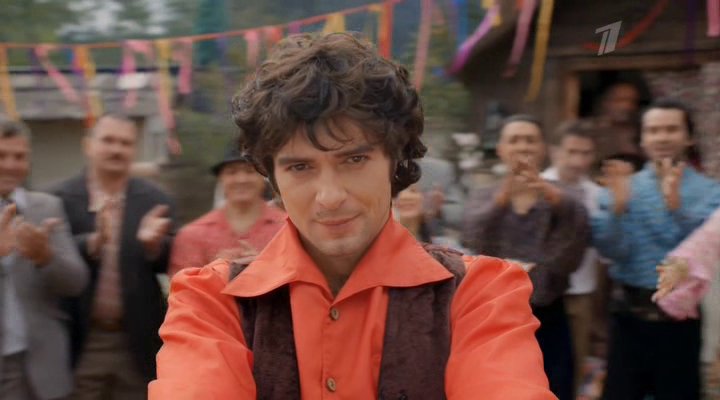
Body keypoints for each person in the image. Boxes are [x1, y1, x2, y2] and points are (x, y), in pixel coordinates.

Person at [150, 32, 554, 399]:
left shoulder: (478, 293)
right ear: (271, 176)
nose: (329, 197)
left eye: (354, 159)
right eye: (300, 167)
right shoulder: (212, 300)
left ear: (394, 159)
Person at [592, 98, 720, 400]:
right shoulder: (625, 186)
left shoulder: (710, 191)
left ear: (689, 137)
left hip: (680, 321)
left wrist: (677, 209)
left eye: (671, 129)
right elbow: (613, 251)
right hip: (628, 316)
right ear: (642, 139)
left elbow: (703, 253)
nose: (662, 137)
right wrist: (617, 210)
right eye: (653, 130)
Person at [463, 114, 589, 400]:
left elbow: (572, 250)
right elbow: (472, 237)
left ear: (543, 148)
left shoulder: (564, 195)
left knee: (553, 389)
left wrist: (545, 191)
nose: (523, 146)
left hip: (548, 314)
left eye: (530, 140)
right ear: (501, 149)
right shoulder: (484, 195)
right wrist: (505, 195)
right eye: (514, 140)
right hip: (493, 317)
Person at [49, 113, 175, 400]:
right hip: (79, 341)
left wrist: (154, 246)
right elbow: (50, 259)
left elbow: (173, 264)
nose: (117, 149)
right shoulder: (58, 198)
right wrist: (92, 243)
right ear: (88, 145)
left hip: (137, 342)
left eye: (125, 143)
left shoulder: (156, 200)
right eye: (108, 141)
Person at [0, 119, 88, 400]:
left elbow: (76, 282)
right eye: (2, 155)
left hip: (44, 364)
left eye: (19, 156)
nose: (10, 165)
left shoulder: (47, 207)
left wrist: (45, 257)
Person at [541, 120, 602, 394]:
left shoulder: (598, 195)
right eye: (572, 152)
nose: (578, 161)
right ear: (555, 151)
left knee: (573, 368)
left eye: (585, 153)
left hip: (580, 293)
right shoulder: (536, 186)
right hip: (538, 295)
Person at [169, 145, 285, 277]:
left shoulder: (287, 228)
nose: (241, 179)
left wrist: (264, 268)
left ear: (264, 177)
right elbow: (182, 286)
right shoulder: (193, 235)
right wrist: (217, 271)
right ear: (220, 179)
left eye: (250, 171)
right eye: (232, 172)